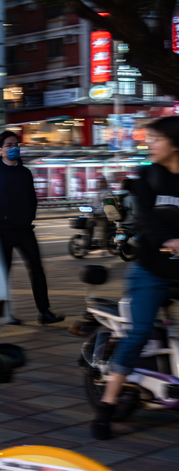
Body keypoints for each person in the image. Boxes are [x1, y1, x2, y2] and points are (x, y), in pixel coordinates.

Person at [92, 116, 179, 440]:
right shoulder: (147, 177)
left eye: (155, 138)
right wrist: (169, 241)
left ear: (174, 143)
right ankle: (107, 406)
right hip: (152, 268)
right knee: (139, 331)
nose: (149, 144)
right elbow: (147, 221)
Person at [0, 131, 64, 326]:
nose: (13, 148)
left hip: (25, 229)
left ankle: (44, 312)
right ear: (0, 149)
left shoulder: (25, 172)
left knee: (37, 269)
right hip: (3, 231)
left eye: (16, 144)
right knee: (3, 273)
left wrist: (28, 217)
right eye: (9, 145)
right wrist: (3, 218)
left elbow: (32, 198)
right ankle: (5, 314)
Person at [89, 175, 111, 245]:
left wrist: (98, 211)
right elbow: (92, 202)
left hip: (103, 216)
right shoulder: (97, 193)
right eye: (99, 182)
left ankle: (103, 244)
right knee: (88, 225)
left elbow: (106, 205)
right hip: (95, 215)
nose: (101, 184)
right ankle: (89, 241)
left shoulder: (108, 192)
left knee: (102, 229)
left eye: (102, 182)